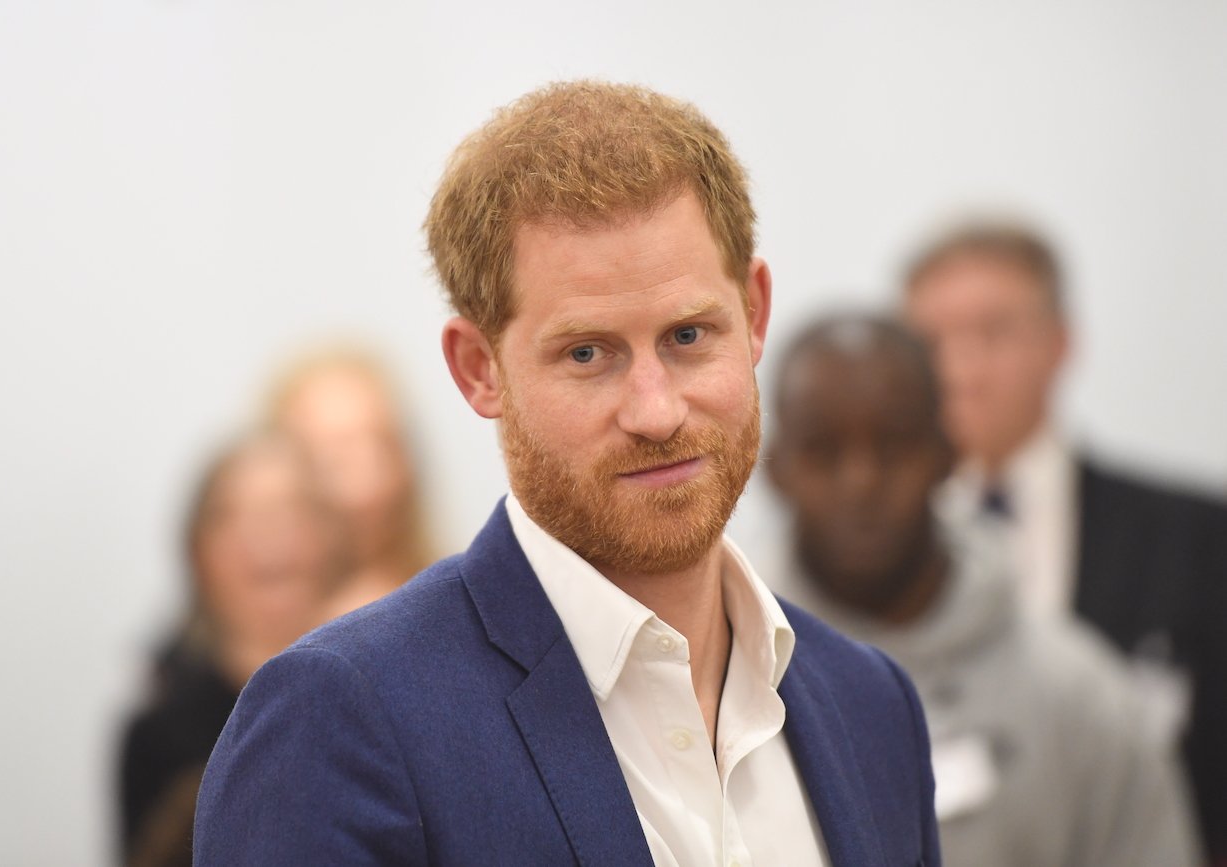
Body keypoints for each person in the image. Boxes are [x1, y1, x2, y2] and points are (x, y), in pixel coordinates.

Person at [193, 81, 940, 866]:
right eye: (587, 353)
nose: (656, 411)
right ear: (479, 368)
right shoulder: (342, 722)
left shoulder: (872, 708)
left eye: (689, 335)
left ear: (753, 313)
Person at [765, 313, 1201, 867]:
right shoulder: (722, 678)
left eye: (894, 446)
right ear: (774, 468)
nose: (861, 482)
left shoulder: (1080, 700)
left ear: (948, 454)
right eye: (823, 450)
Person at [901, 220, 1227, 858]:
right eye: (931, 341)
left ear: (1060, 342)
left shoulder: (1197, 540)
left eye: (994, 332)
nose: (961, 368)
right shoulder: (859, 559)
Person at [119, 433, 344, 866]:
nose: (267, 535)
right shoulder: (157, 734)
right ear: (197, 551)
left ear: (333, 539)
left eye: (290, 510)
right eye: (235, 516)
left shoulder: (388, 692)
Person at [266, 347, 437, 617]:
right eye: (332, 459)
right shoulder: (236, 628)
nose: (366, 487)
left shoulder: (454, 605)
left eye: (382, 448)